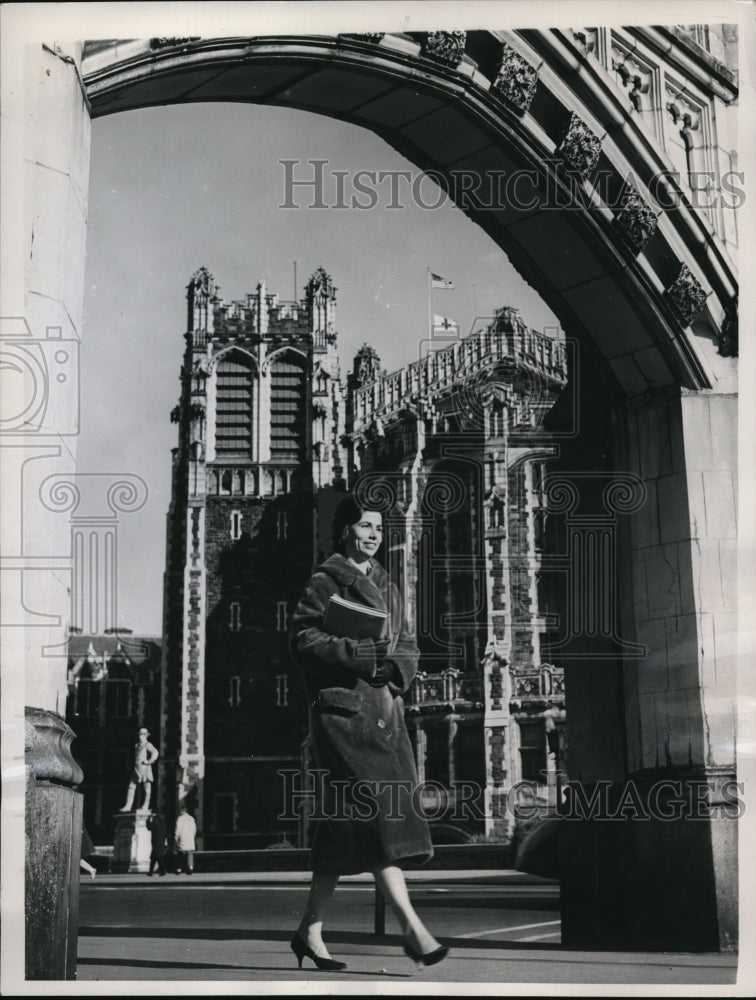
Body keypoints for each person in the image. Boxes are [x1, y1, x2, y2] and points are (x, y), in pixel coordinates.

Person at [288, 493, 449, 972]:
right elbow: (303, 640)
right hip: (343, 719)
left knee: (342, 827)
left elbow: (409, 643)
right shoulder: (325, 580)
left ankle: (309, 932)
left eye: (378, 527)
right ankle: (413, 930)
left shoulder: (387, 583)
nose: (374, 534)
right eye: (365, 526)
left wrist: (396, 669)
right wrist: (360, 654)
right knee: (380, 815)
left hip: (382, 714)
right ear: (345, 531)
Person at [119, 727, 159, 812]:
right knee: (131, 786)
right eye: (140, 734)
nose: (140, 736)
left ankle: (146, 805)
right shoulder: (137, 745)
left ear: (146, 735)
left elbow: (155, 752)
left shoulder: (147, 744)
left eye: (142, 734)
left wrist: (149, 761)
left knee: (147, 788)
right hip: (137, 768)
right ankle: (128, 805)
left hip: (145, 768)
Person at [174, 806, 196, 874]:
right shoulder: (191, 818)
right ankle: (190, 867)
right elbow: (194, 829)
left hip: (182, 838)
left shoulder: (180, 819)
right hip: (190, 838)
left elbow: (178, 829)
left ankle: (179, 869)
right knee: (190, 853)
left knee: (180, 854)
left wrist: (176, 838)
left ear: (182, 811)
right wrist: (192, 836)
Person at [146, 811, 168, 876]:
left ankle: (163, 871)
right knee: (154, 857)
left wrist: (148, 820)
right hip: (161, 841)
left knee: (158, 857)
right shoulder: (162, 821)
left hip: (156, 841)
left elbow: (149, 827)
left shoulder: (155, 820)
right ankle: (151, 872)